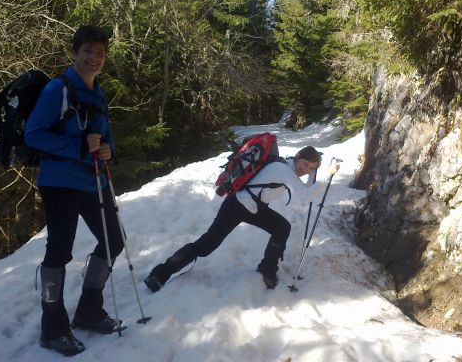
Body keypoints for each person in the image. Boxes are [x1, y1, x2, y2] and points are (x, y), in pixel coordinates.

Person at [25, 26, 122, 356]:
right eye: (88, 52)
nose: (95, 58)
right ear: (75, 53)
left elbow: (103, 135)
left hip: (95, 180)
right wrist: (79, 145)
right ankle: (52, 328)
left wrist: (108, 148)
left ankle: (88, 311)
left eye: (100, 53)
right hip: (61, 182)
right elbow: (34, 135)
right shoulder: (58, 89)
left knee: (113, 241)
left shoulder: (99, 92)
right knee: (59, 252)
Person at [144, 146, 340, 292]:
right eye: (305, 164)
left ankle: (268, 269)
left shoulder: (289, 168)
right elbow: (305, 195)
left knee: (282, 227)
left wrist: (316, 172)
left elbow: (307, 189)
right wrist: (327, 175)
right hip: (237, 205)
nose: (305, 170)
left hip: (254, 207)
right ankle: (159, 274)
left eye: (310, 168)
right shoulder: (283, 170)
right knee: (206, 245)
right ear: (297, 157)